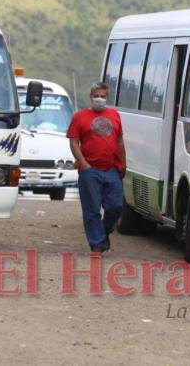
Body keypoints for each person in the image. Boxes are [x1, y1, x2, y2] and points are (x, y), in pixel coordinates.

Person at [66, 82, 126, 253]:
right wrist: (83, 164)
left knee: (115, 206)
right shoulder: (79, 117)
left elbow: (120, 141)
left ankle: (104, 231)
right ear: (91, 97)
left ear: (107, 97)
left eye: (103, 96)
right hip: (89, 170)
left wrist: (123, 163)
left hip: (111, 169)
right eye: (96, 96)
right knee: (92, 209)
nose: (99, 99)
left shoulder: (115, 115)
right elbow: (73, 141)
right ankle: (97, 244)